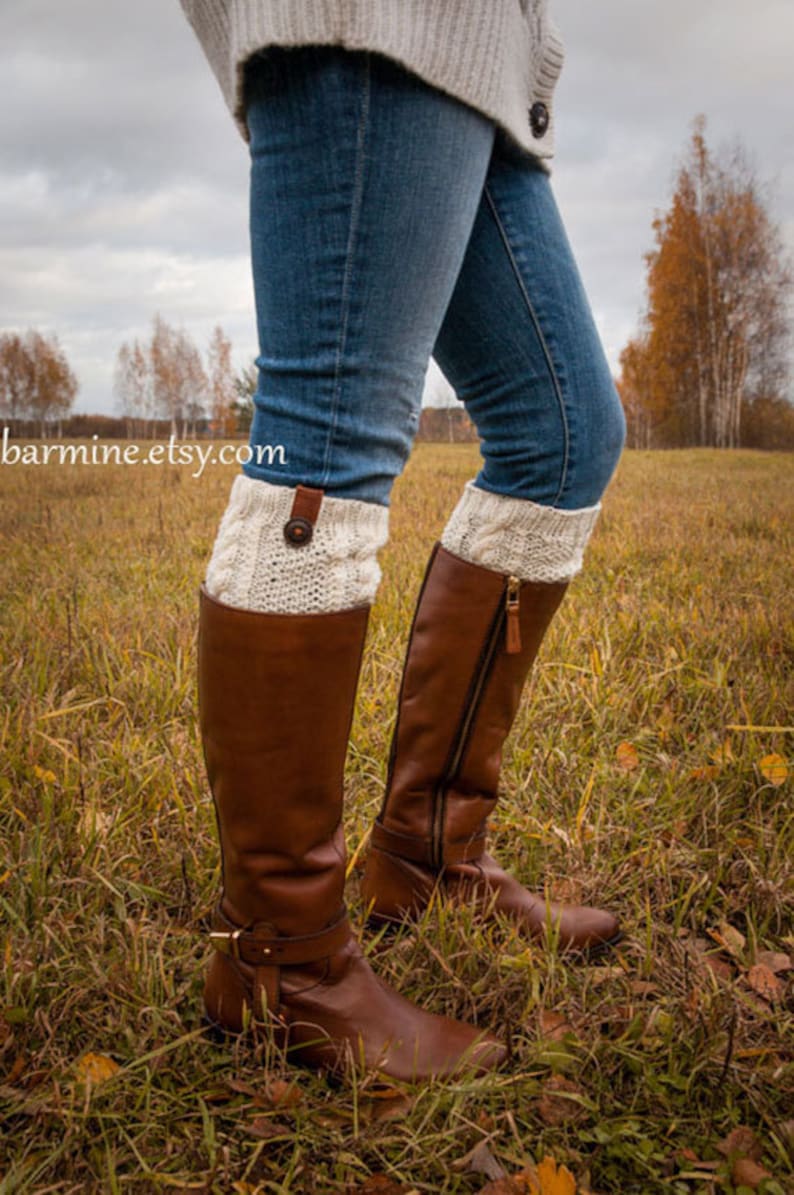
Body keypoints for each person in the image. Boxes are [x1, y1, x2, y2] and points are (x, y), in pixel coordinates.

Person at [179, 0, 626, 1082]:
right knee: (325, 446)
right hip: (372, 24)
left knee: (564, 439)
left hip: (477, 60)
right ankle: (280, 961)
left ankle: (428, 855)